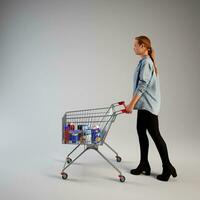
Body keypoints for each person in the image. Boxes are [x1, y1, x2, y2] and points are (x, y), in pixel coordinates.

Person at [125, 35, 177, 181]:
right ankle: (144, 164)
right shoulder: (145, 61)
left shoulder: (146, 62)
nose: (133, 47)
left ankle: (167, 167)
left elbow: (143, 85)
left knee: (155, 135)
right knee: (141, 132)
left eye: (135, 45)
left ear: (143, 46)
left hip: (148, 105)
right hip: (144, 105)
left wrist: (131, 104)